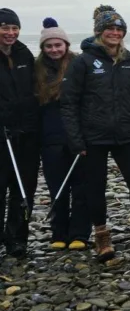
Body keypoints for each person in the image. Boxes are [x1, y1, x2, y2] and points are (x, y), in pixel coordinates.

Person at [60, 7, 130, 260]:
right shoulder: (83, 62)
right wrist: (75, 139)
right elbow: (69, 103)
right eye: (109, 29)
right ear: (99, 32)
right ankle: (102, 236)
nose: (114, 33)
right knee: (95, 187)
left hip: (127, 134)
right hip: (93, 137)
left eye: (118, 29)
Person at [34, 18, 88, 250]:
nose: (54, 50)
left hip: (78, 136)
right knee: (57, 186)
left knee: (81, 186)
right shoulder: (36, 70)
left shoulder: (78, 65)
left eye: (58, 45)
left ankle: (80, 233)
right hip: (50, 138)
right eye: (49, 46)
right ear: (43, 48)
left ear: (66, 45)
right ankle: (59, 232)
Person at [0, 8, 40, 258]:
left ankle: (17, 238)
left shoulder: (24, 54)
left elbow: (33, 92)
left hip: (26, 134)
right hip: (2, 134)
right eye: (5, 28)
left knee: (23, 188)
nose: (11, 33)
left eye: (14, 28)